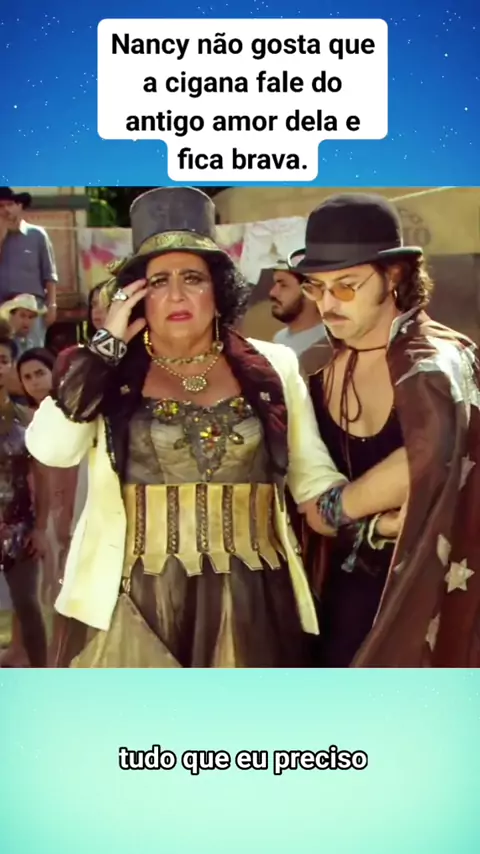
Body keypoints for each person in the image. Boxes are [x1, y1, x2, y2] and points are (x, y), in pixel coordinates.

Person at [26, 187, 409, 669]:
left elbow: (312, 483)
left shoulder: (274, 366)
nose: (177, 295)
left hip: (253, 603)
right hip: (133, 605)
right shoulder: (103, 369)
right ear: (136, 295)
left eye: (193, 278)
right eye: (159, 281)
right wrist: (104, 350)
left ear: (219, 288)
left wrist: (376, 524)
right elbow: (51, 449)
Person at [289, 192, 480, 668]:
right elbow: (303, 495)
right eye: (315, 287)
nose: (327, 304)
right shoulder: (315, 369)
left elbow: (433, 450)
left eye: (346, 286)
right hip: (335, 607)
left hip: (428, 604)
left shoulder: (440, 362)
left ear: (393, 275)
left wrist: (338, 507)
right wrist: (371, 525)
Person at [0, 332, 48, 667]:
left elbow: (42, 478)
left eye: (2, 361)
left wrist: (41, 527)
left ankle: (43, 677)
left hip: (20, 527)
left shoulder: (28, 419)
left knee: (29, 605)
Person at [0, 188, 58, 343]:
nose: (5, 210)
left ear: (19, 206)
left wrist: (52, 305)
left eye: (10, 204)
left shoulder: (37, 235)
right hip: (3, 307)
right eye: (0, 206)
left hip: (32, 308)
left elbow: (49, 274)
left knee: (33, 351)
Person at [268, 258, 326, 360]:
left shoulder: (329, 344)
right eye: (275, 284)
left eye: (283, 285)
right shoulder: (279, 339)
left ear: (310, 291)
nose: (272, 293)